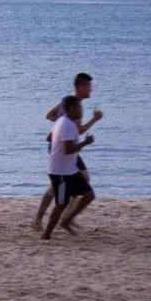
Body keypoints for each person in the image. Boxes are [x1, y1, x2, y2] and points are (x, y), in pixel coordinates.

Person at [31, 72, 103, 231]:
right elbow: (77, 129)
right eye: (89, 87)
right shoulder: (71, 104)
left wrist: (61, 125)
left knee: (78, 179)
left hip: (65, 146)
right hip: (61, 148)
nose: (91, 90)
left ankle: (66, 216)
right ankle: (44, 218)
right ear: (80, 87)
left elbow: (52, 116)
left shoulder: (71, 102)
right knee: (66, 182)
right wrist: (94, 120)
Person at [42, 96, 96, 240]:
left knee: (89, 195)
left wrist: (56, 144)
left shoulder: (61, 121)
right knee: (61, 203)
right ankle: (46, 235)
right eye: (78, 107)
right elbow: (68, 150)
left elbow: (48, 138)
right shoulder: (67, 125)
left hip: (69, 169)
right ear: (70, 109)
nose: (81, 110)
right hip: (60, 172)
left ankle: (66, 221)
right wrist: (85, 142)